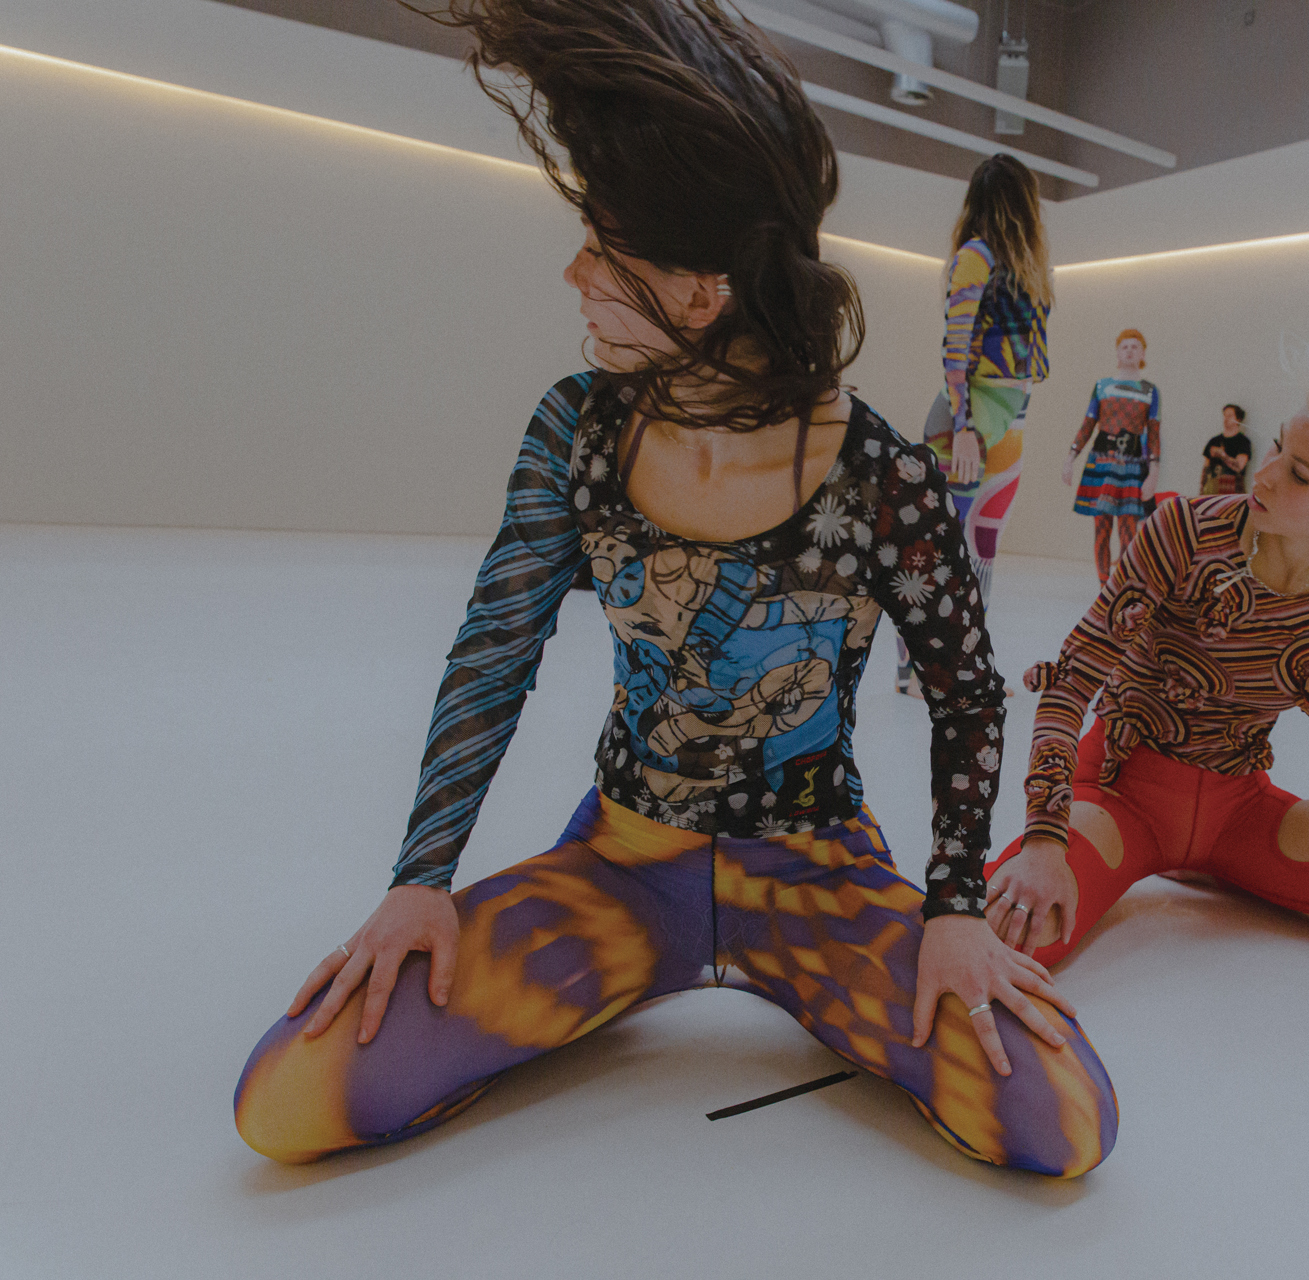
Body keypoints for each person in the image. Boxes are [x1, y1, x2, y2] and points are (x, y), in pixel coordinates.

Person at [232, 0, 1115, 1177]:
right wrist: (419, 882)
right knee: (290, 1094)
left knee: (1059, 1118)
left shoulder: (881, 474)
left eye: (604, 246)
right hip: (620, 865)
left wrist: (952, 902)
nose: (575, 272)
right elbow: (495, 647)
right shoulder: (577, 431)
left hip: (817, 871)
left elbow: (964, 691)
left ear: (703, 293)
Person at [985, 227, 1309, 973]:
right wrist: (1043, 840)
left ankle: (1207, 866)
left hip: (1238, 812)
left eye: (1298, 475)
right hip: (1119, 789)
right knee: (1011, 928)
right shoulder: (1183, 531)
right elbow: (1072, 681)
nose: (1263, 478)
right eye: (1276, 451)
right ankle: (1126, 857)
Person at [897, 153, 1051, 697]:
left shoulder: (1028, 271)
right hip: (965, 425)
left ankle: (970, 664)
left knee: (982, 552)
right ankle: (919, 669)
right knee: (942, 550)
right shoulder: (976, 257)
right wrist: (964, 425)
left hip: (1008, 425)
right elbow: (954, 347)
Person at [1066, 330, 1160, 583]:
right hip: (1101, 463)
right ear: (1118, 352)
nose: (1129, 350)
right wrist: (1071, 457)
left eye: (1135, 346)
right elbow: (1088, 423)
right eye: (1124, 346)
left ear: (1142, 353)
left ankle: (1124, 587)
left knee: (1129, 529)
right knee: (1102, 527)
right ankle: (1103, 588)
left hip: (1131, 465)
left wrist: (1153, 472)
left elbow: (1153, 434)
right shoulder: (1102, 386)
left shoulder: (1150, 391)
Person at [1199, 404, 1253, 496]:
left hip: (1233, 492)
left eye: (1230, 416)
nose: (1226, 419)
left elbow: (1239, 467)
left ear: (1238, 419)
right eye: (1224, 415)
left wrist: (1223, 455)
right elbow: (1205, 468)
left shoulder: (1243, 441)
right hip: (1212, 491)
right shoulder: (1214, 441)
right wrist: (1201, 492)